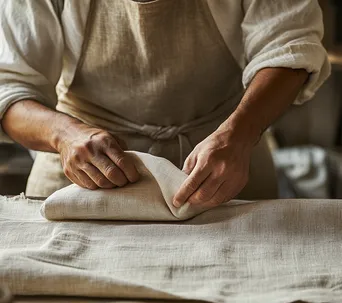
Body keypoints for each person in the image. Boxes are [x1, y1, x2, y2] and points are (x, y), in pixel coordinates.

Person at [0, 0, 330, 208]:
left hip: (228, 167)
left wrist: (239, 134)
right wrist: (66, 136)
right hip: (83, 178)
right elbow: (10, 90)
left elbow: (290, 46)